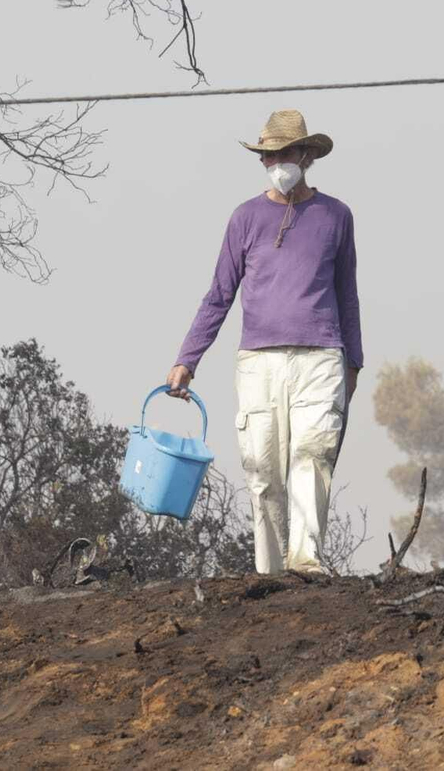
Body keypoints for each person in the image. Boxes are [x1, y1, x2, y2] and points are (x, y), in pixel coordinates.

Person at [167, 109, 363, 575]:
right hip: (258, 360)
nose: (276, 161)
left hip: (321, 355)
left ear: (306, 155)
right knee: (262, 469)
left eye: (284, 153)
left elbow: (347, 293)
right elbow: (219, 294)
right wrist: (186, 359)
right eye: (267, 155)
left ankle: (306, 560)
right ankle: (270, 572)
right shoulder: (245, 219)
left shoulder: (336, 216)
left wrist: (353, 361)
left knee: (312, 455)